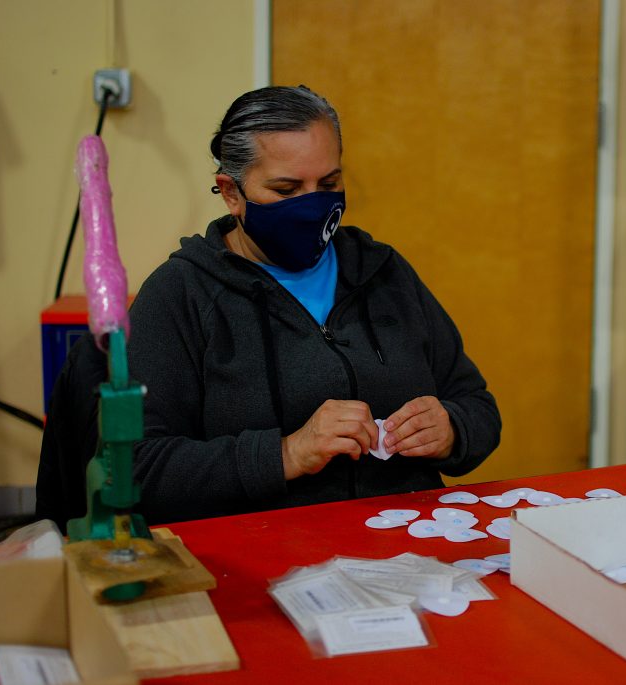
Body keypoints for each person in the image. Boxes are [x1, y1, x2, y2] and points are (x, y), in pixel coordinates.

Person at [37, 85, 500, 526]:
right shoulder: (183, 295)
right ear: (232, 191)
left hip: (403, 543)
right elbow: (136, 471)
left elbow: (477, 406)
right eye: (286, 189)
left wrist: (451, 429)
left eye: (329, 182)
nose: (314, 204)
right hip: (260, 561)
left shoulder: (382, 272)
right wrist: (286, 454)